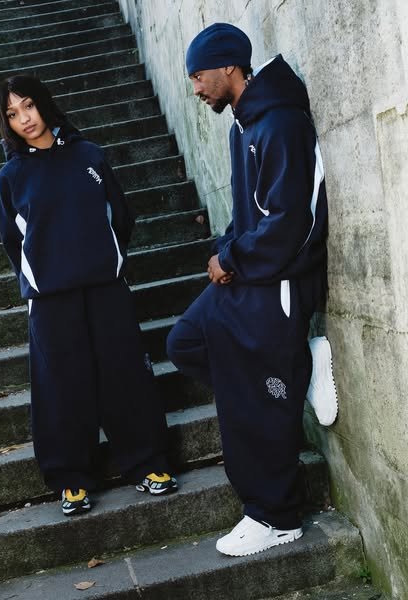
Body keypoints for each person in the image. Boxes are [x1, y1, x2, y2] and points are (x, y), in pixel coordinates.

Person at [167, 23, 337, 556]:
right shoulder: (242, 125)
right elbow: (250, 214)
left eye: (199, 76)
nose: (196, 89)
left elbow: (292, 222)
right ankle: (294, 370)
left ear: (229, 67)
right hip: (252, 276)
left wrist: (233, 258)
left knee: (257, 399)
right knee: (186, 342)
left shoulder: (279, 122)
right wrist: (225, 249)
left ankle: (276, 517)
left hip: (282, 281)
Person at [0, 74, 177, 516]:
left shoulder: (89, 155)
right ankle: (70, 479)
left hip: (105, 288)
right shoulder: (10, 177)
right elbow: (12, 243)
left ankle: (147, 463)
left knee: (124, 374)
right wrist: (42, 281)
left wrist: (105, 263)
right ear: (7, 123)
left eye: (29, 106)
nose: (25, 119)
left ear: (44, 103)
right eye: (13, 114)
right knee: (61, 387)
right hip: (51, 300)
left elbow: (121, 217)